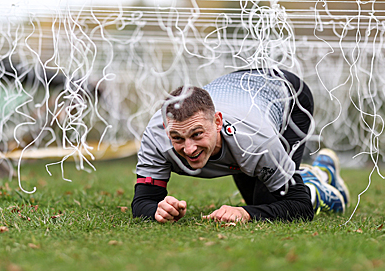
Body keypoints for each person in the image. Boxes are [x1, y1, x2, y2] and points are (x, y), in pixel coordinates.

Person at [131, 69, 350, 223]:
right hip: (240, 92)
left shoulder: (257, 141)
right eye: (177, 138)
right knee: (260, 201)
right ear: (166, 128)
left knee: (268, 201)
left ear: (217, 122)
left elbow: (300, 207)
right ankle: (302, 175)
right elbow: (143, 201)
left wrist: (247, 213)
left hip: (288, 96)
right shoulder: (156, 135)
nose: (189, 149)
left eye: (197, 134)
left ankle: (317, 178)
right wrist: (157, 210)